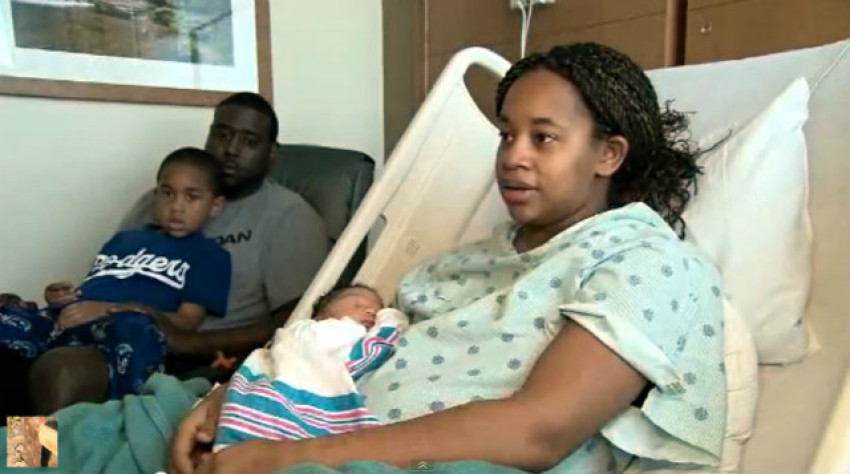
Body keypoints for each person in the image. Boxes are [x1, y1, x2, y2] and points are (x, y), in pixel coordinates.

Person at [172, 42, 727, 474]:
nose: (513, 157)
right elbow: (345, 347)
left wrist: (283, 458)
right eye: (507, 134)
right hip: (296, 424)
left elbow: (538, 430)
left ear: (608, 154)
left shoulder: (647, 264)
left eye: (543, 138)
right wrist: (240, 395)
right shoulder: (468, 261)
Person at [0, 92, 329, 418]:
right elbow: (114, 274)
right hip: (97, 324)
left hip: (181, 351)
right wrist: (66, 301)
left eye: (249, 140)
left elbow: (296, 320)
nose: (231, 149)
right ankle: (17, 460)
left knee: (57, 371)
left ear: (271, 154)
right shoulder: (154, 202)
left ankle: (35, 463)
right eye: (222, 134)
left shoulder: (288, 216)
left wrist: (185, 342)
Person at [0, 147, 231, 400]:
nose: (176, 207)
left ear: (215, 206)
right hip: (70, 321)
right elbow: (94, 287)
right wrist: (61, 296)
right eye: (168, 193)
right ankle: (18, 440)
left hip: (123, 326)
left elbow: (187, 324)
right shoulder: (124, 240)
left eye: (191, 197)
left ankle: (45, 439)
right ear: (156, 195)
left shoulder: (210, 255)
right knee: (7, 321)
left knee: (137, 327)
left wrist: (110, 309)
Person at [214, 284, 408, 452]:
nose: (371, 311)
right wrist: (392, 318)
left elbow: (368, 355)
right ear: (321, 314)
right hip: (265, 400)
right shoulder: (329, 331)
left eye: (378, 311)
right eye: (357, 304)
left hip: (267, 416)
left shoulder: (354, 337)